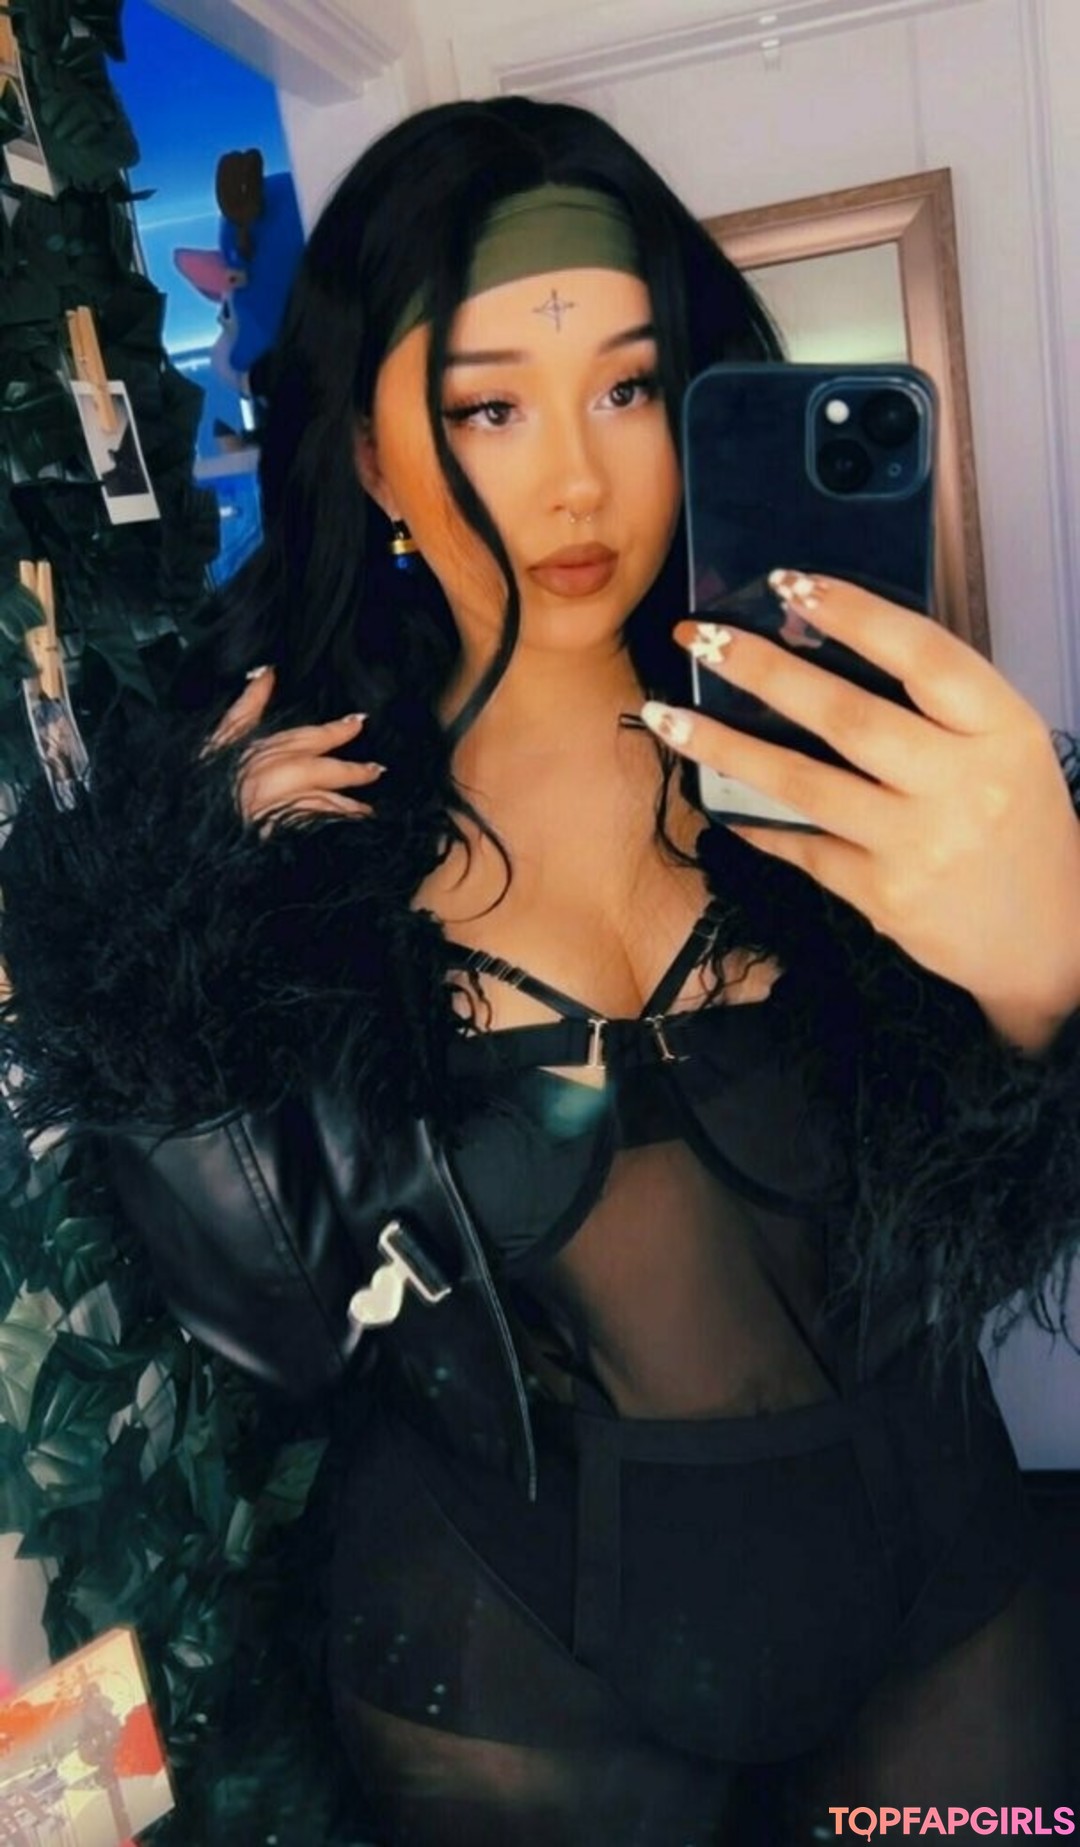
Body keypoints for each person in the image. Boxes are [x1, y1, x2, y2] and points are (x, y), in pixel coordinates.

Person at [3, 95, 1080, 1846]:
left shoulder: (869, 772)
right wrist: (183, 945)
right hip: (505, 1646)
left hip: (940, 1583)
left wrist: (1054, 969)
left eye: (631, 390)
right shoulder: (304, 843)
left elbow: (1009, 1211)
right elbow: (275, 1330)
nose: (577, 479)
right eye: (489, 407)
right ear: (371, 457)